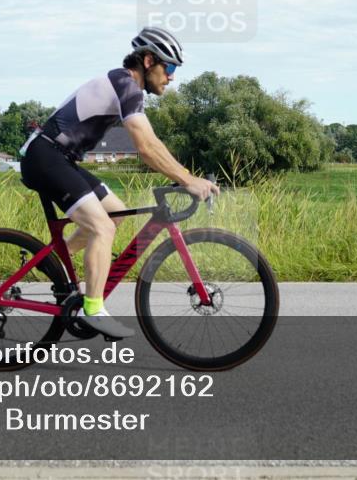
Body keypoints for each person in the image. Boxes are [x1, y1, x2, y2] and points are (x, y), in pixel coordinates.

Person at [19, 26, 220, 338]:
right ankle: (93, 309)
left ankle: (52, 262)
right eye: (169, 68)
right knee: (103, 227)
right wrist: (188, 179)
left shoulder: (126, 87)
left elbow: (153, 142)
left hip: (57, 156)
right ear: (149, 61)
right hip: (45, 156)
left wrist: (185, 176)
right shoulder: (126, 85)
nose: (172, 77)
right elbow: (146, 147)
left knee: (116, 213)